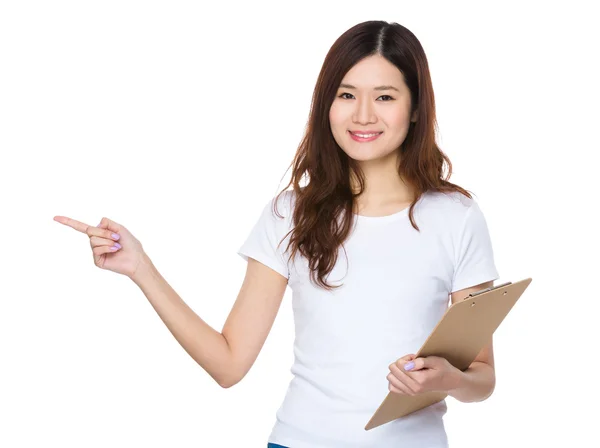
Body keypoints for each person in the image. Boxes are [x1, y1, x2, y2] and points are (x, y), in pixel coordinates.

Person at [54, 20, 499, 448]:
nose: (363, 115)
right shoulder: (291, 214)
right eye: (347, 94)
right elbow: (228, 364)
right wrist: (141, 268)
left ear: (416, 107)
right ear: (327, 103)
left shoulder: (455, 217)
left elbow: (482, 377)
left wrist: (449, 379)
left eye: (385, 96)